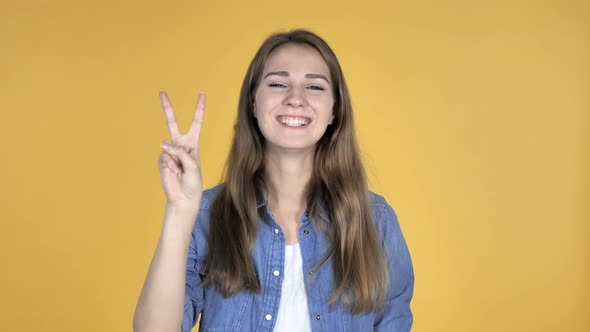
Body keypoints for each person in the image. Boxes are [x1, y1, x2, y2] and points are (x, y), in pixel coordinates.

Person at [133, 29, 414, 332]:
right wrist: (179, 212)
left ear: (334, 110)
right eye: (278, 83)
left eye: (315, 87)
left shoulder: (376, 221)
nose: (295, 99)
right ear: (253, 103)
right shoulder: (207, 215)